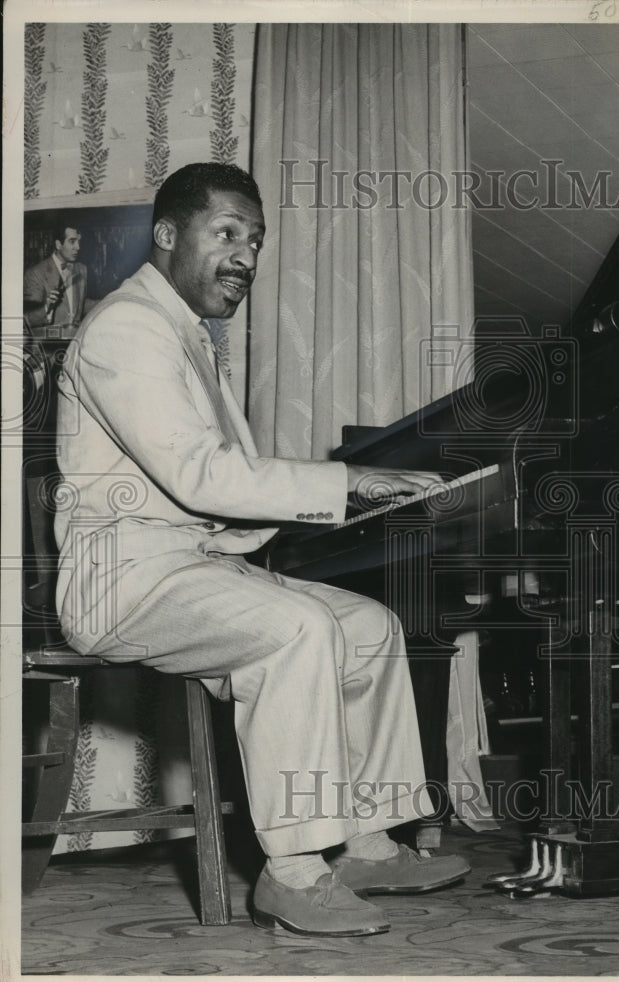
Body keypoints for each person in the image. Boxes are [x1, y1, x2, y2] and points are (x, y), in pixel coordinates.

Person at [54, 162, 470, 937]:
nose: (245, 256)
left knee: (368, 628)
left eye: (256, 240)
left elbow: (214, 498)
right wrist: (346, 481)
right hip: (124, 581)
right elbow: (200, 475)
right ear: (168, 235)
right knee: (297, 630)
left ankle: (369, 844)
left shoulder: (184, 335)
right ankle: (294, 873)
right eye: (227, 233)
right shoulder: (125, 329)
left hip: (188, 568)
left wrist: (343, 502)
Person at [23, 220, 91, 331]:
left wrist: (112, 299)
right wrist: (46, 308)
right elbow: (28, 319)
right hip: (47, 346)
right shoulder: (35, 274)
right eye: (72, 241)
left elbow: (81, 305)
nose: (78, 247)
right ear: (58, 244)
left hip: (74, 343)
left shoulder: (81, 269)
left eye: (79, 241)